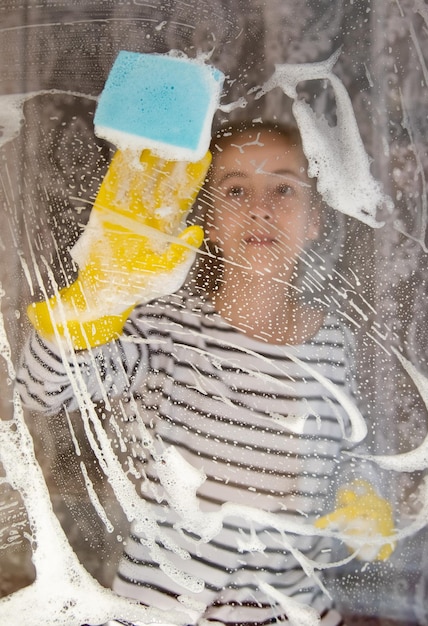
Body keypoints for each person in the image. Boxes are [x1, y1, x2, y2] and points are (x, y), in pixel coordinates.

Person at [17, 121, 392, 626]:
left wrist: (361, 494)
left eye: (283, 188)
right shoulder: (165, 326)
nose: (260, 207)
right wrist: (93, 300)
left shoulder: (337, 345)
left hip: (288, 609)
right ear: (209, 221)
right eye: (235, 189)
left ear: (315, 219)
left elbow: (347, 454)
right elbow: (42, 390)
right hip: (161, 609)